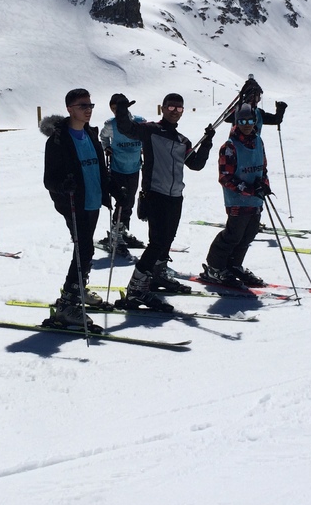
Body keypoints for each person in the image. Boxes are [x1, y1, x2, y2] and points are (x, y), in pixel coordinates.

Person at [114, 92, 215, 310]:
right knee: (157, 243)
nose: (174, 111)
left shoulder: (182, 141)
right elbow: (126, 128)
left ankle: (157, 275)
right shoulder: (151, 130)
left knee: (167, 240)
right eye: (171, 107)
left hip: (175, 196)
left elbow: (196, 164)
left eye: (179, 108)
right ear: (163, 108)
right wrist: (121, 108)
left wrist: (207, 143)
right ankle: (135, 289)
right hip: (155, 194)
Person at [41, 89, 111, 332]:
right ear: (70, 109)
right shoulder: (58, 141)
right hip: (73, 204)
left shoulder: (90, 134)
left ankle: (77, 289)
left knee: (85, 249)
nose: (88, 109)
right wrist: (64, 186)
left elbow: (99, 169)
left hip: (93, 201)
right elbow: (49, 180)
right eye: (83, 106)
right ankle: (67, 305)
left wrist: (112, 189)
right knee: (84, 249)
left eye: (90, 105)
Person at [200, 103, 271, 287]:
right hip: (237, 200)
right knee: (234, 234)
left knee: (249, 234)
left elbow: (263, 168)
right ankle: (215, 266)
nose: (247, 125)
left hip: (255, 199)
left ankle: (233, 264)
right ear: (237, 122)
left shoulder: (258, 141)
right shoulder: (230, 146)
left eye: (250, 121)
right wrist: (249, 188)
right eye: (242, 121)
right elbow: (225, 178)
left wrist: (264, 185)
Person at [98, 92, 146, 256]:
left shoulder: (139, 122)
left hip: (134, 168)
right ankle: (115, 234)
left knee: (129, 201)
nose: (116, 111)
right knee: (121, 202)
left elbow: (147, 137)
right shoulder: (111, 124)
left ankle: (122, 230)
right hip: (117, 169)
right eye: (113, 108)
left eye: (117, 107)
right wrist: (106, 147)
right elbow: (103, 137)